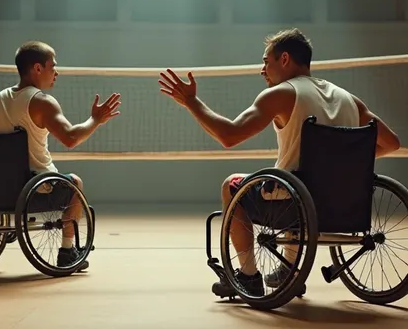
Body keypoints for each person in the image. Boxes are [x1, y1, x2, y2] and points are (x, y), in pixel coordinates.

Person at [159, 28, 401, 298]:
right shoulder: (349, 100)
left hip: (293, 206)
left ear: (284, 59)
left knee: (232, 186)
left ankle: (248, 276)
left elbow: (229, 135)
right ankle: (290, 271)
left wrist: (192, 102)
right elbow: (392, 143)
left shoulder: (281, 95)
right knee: (296, 183)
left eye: (266, 61)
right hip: (346, 205)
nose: (262, 70)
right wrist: (346, 168)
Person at [0, 41, 120, 271]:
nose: (56, 72)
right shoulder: (42, 102)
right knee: (75, 183)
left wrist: (1, 155)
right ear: (38, 68)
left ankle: (13, 225)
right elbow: (70, 138)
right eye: (52, 66)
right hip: (36, 190)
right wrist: (95, 120)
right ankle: (67, 251)